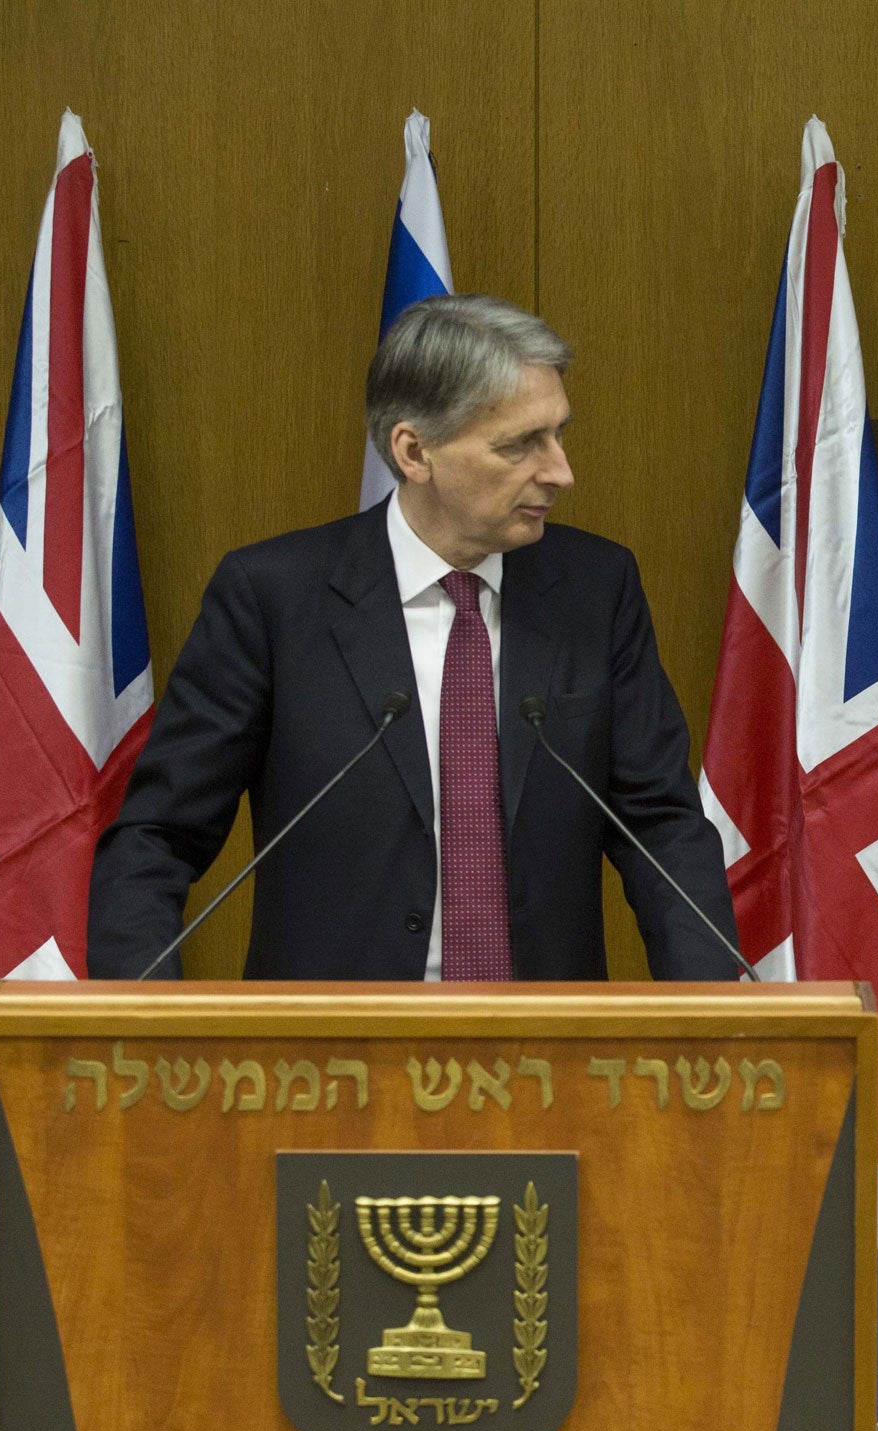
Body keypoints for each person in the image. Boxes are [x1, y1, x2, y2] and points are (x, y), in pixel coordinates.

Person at [89, 294, 740, 981]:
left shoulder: (595, 589)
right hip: (326, 1063)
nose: (560, 471)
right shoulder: (274, 598)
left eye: (558, 434)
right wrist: (143, 1024)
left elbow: (660, 827)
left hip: (551, 1057)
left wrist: (718, 1024)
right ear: (414, 451)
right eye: (521, 444)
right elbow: (159, 836)